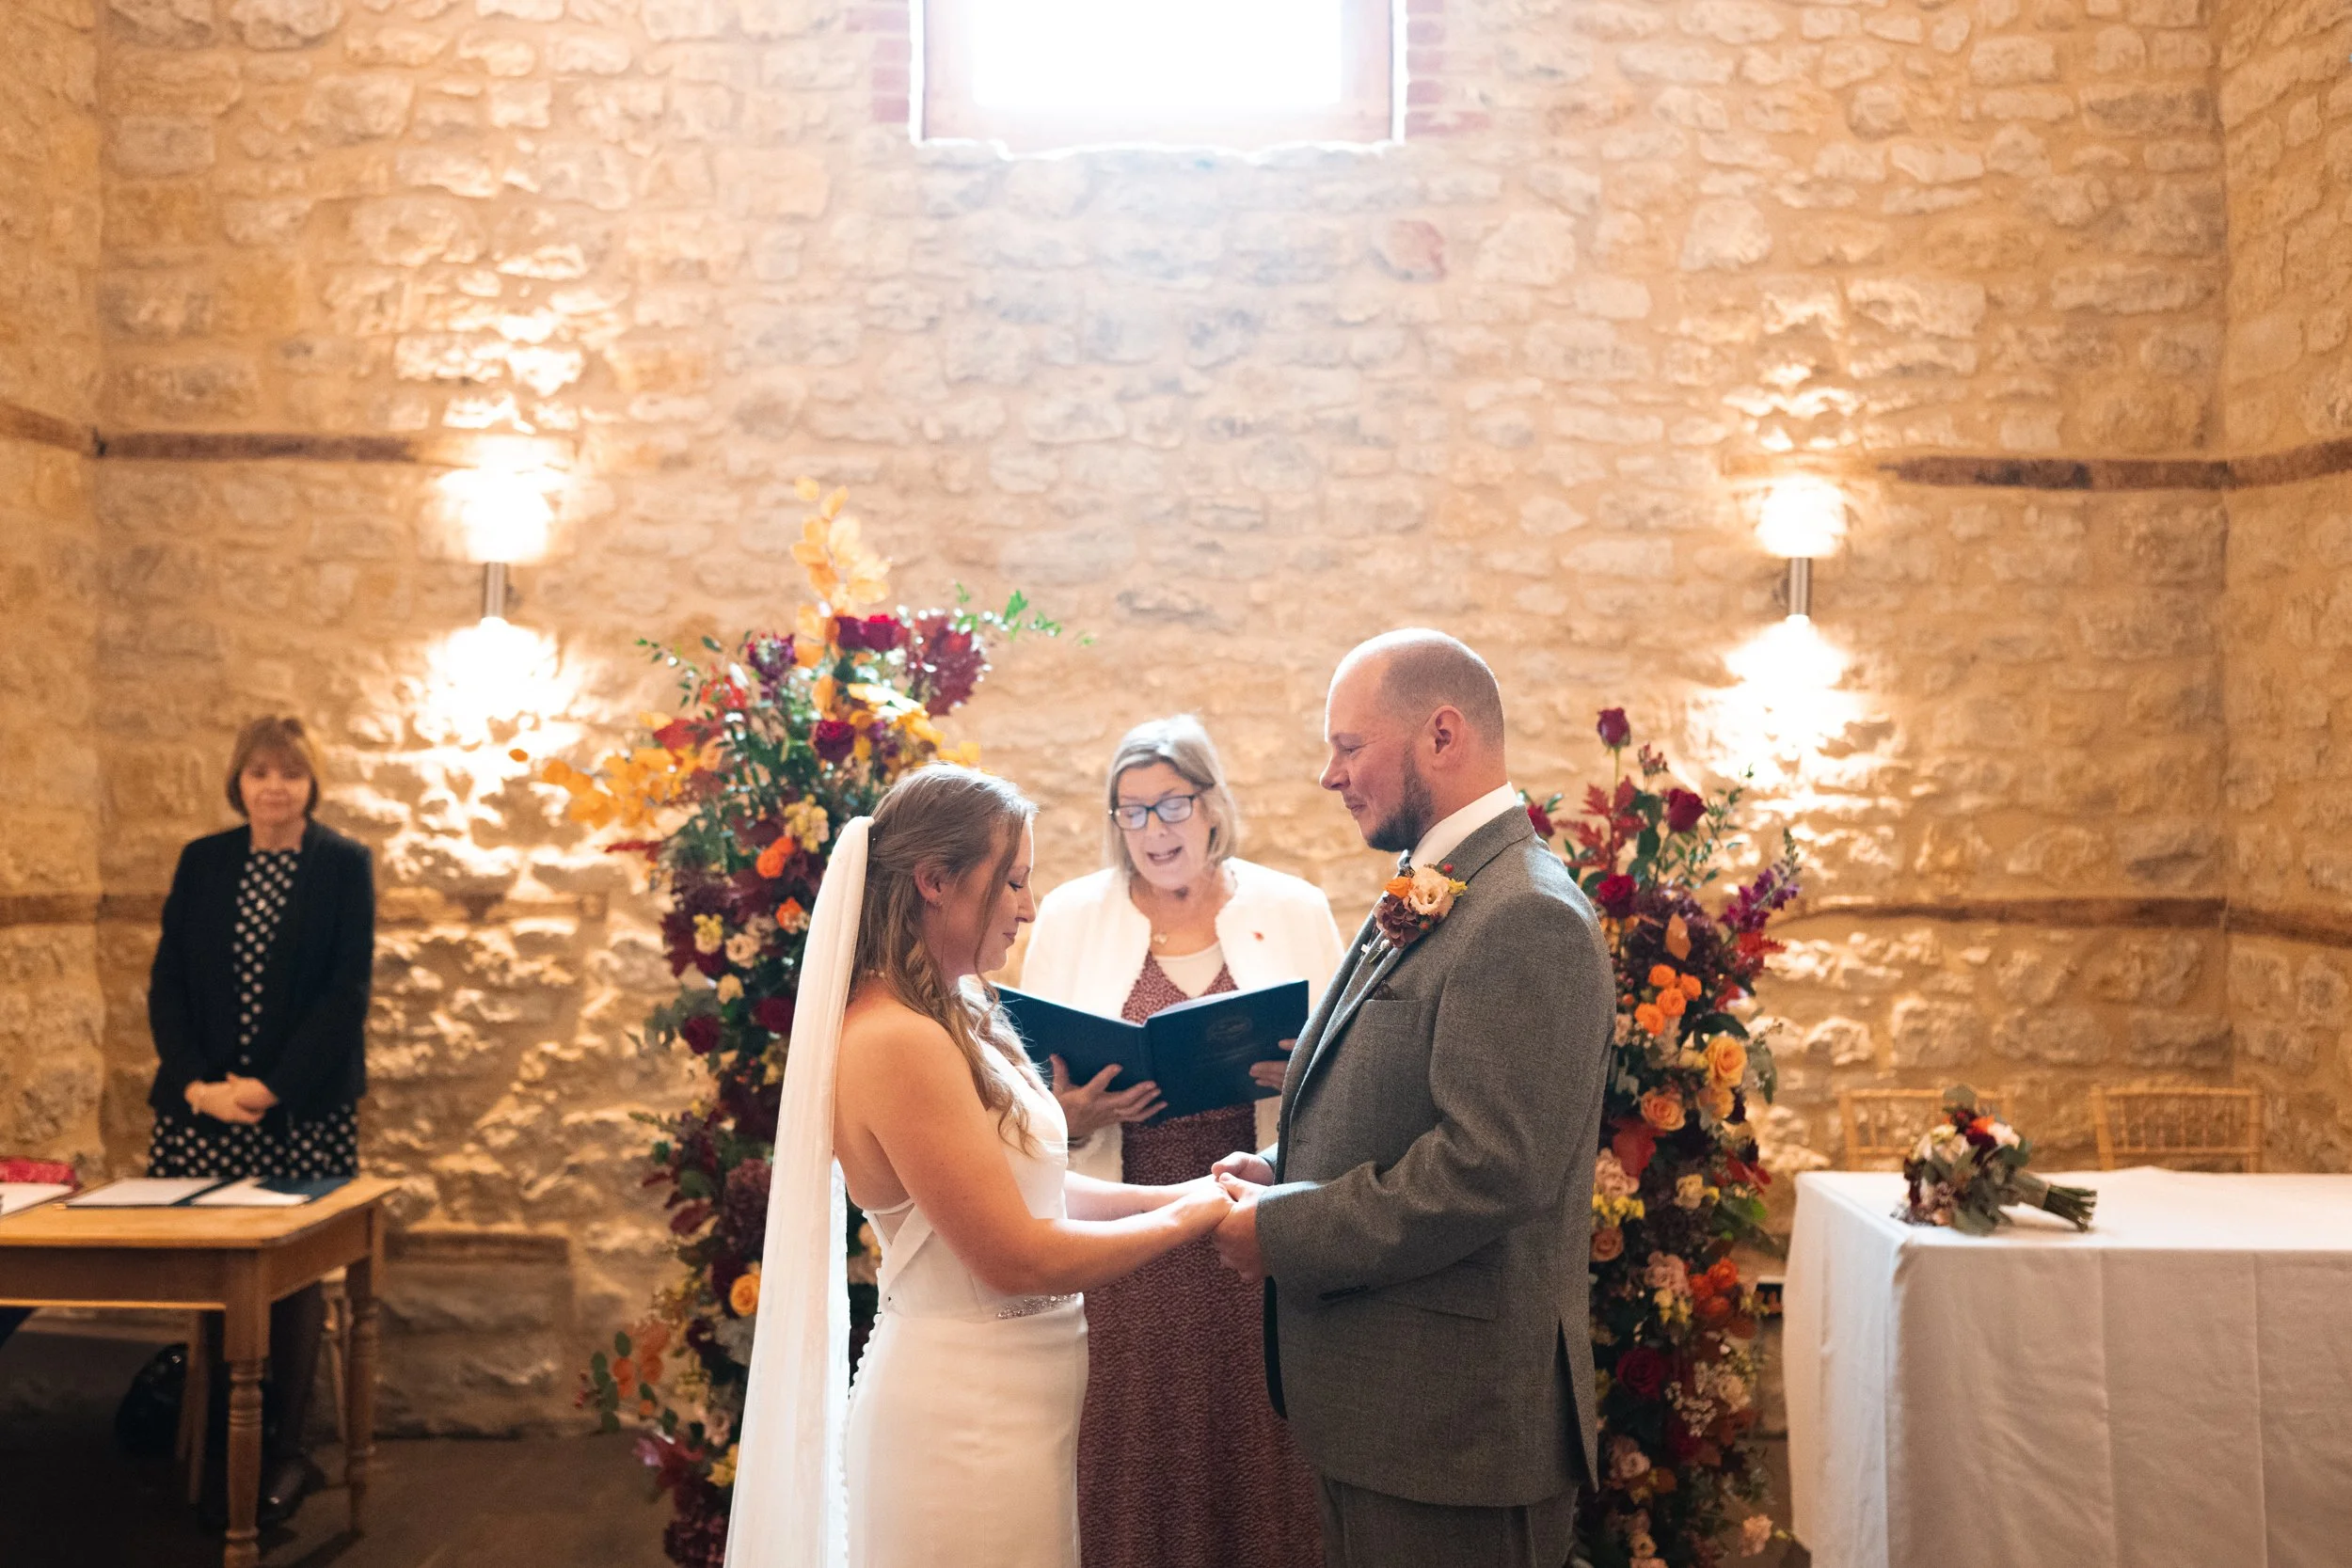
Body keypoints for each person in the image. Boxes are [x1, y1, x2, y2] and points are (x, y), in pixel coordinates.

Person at [723, 765, 1234, 1568]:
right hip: (964, 1417)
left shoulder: (956, 1008)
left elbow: (1029, 1185)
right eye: (1013, 881)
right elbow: (1016, 1255)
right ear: (935, 880)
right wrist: (1193, 1219)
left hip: (1015, 1407)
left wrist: (1192, 1187)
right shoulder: (896, 1037)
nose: (1029, 906)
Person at [1210, 630, 1616, 1568]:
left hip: (1457, 1434)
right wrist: (1283, 1169)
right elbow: (1404, 1103)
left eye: (1348, 746)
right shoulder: (1444, 886)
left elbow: (1487, 1166)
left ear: (1442, 733)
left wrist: (1284, 1229)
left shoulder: (1524, 913)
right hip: (1387, 1411)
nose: (1329, 773)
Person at [1019, 716, 1342, 1568]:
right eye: (1132, 812)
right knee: (1135, 1452)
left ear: (1210, 806)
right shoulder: (1069, 916)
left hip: (1253, 1225)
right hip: (1123, 1245)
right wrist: (1076, 1113)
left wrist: (1301, 1079)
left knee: (1261, 1451)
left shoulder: (1294, 908)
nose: (1154, 831)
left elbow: (1355, 1077)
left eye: (1171, 805)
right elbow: (1020, 1104)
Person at [146, 716, 375, 1528]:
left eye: (289, 773)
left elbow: (344, 995)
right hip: (202, 1112)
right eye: (258, 773)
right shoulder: (203, 862)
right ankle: (216, 1437)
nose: (273, 787)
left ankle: (286, 1445)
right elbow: (168, 981)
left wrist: (270, 1088)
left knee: (293, 1273)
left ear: (312, 783)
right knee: (209, 1269)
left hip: (299, 1113)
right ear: (237, 782)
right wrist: (199, 1085)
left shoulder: (343, 865)